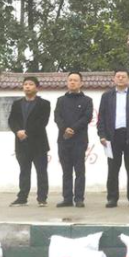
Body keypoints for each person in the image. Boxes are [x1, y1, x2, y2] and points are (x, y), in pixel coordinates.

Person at [97, 70, 129, 208]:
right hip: (112, 137)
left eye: (123, 76)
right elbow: (101, 117)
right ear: (114, 79)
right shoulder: (106, 96)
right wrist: (102, 135)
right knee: (113, 169)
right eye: (118, 76)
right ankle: (112, 198)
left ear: (128, 79)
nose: (120, 78)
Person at [8, 76, 51, 207]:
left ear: (37, 88)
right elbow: (11, 120)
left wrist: (26, 132)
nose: (27, 86)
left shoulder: (44, 104)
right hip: (21, 143)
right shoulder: (17, 104)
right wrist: (17, 131)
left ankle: (42, 198)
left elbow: (42, 122)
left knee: (41, 172)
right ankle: (22, 198)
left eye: (31, 84)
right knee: (24, 171)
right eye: (25, 84)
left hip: (39, 143)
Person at [54, 72, 94, 208]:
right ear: (67, 82)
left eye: (75, 80)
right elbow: (57, 117)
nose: (72, 82)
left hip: (79, 140)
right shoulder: (61, 100)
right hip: (63, 139)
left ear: (81, 83)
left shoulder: (87, 100)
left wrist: (73, 128)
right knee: (66, 171)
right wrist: (65, 128)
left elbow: (87, 117)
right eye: (70, 80)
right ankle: (67, 198)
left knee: (79, 171)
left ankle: (79, 198)